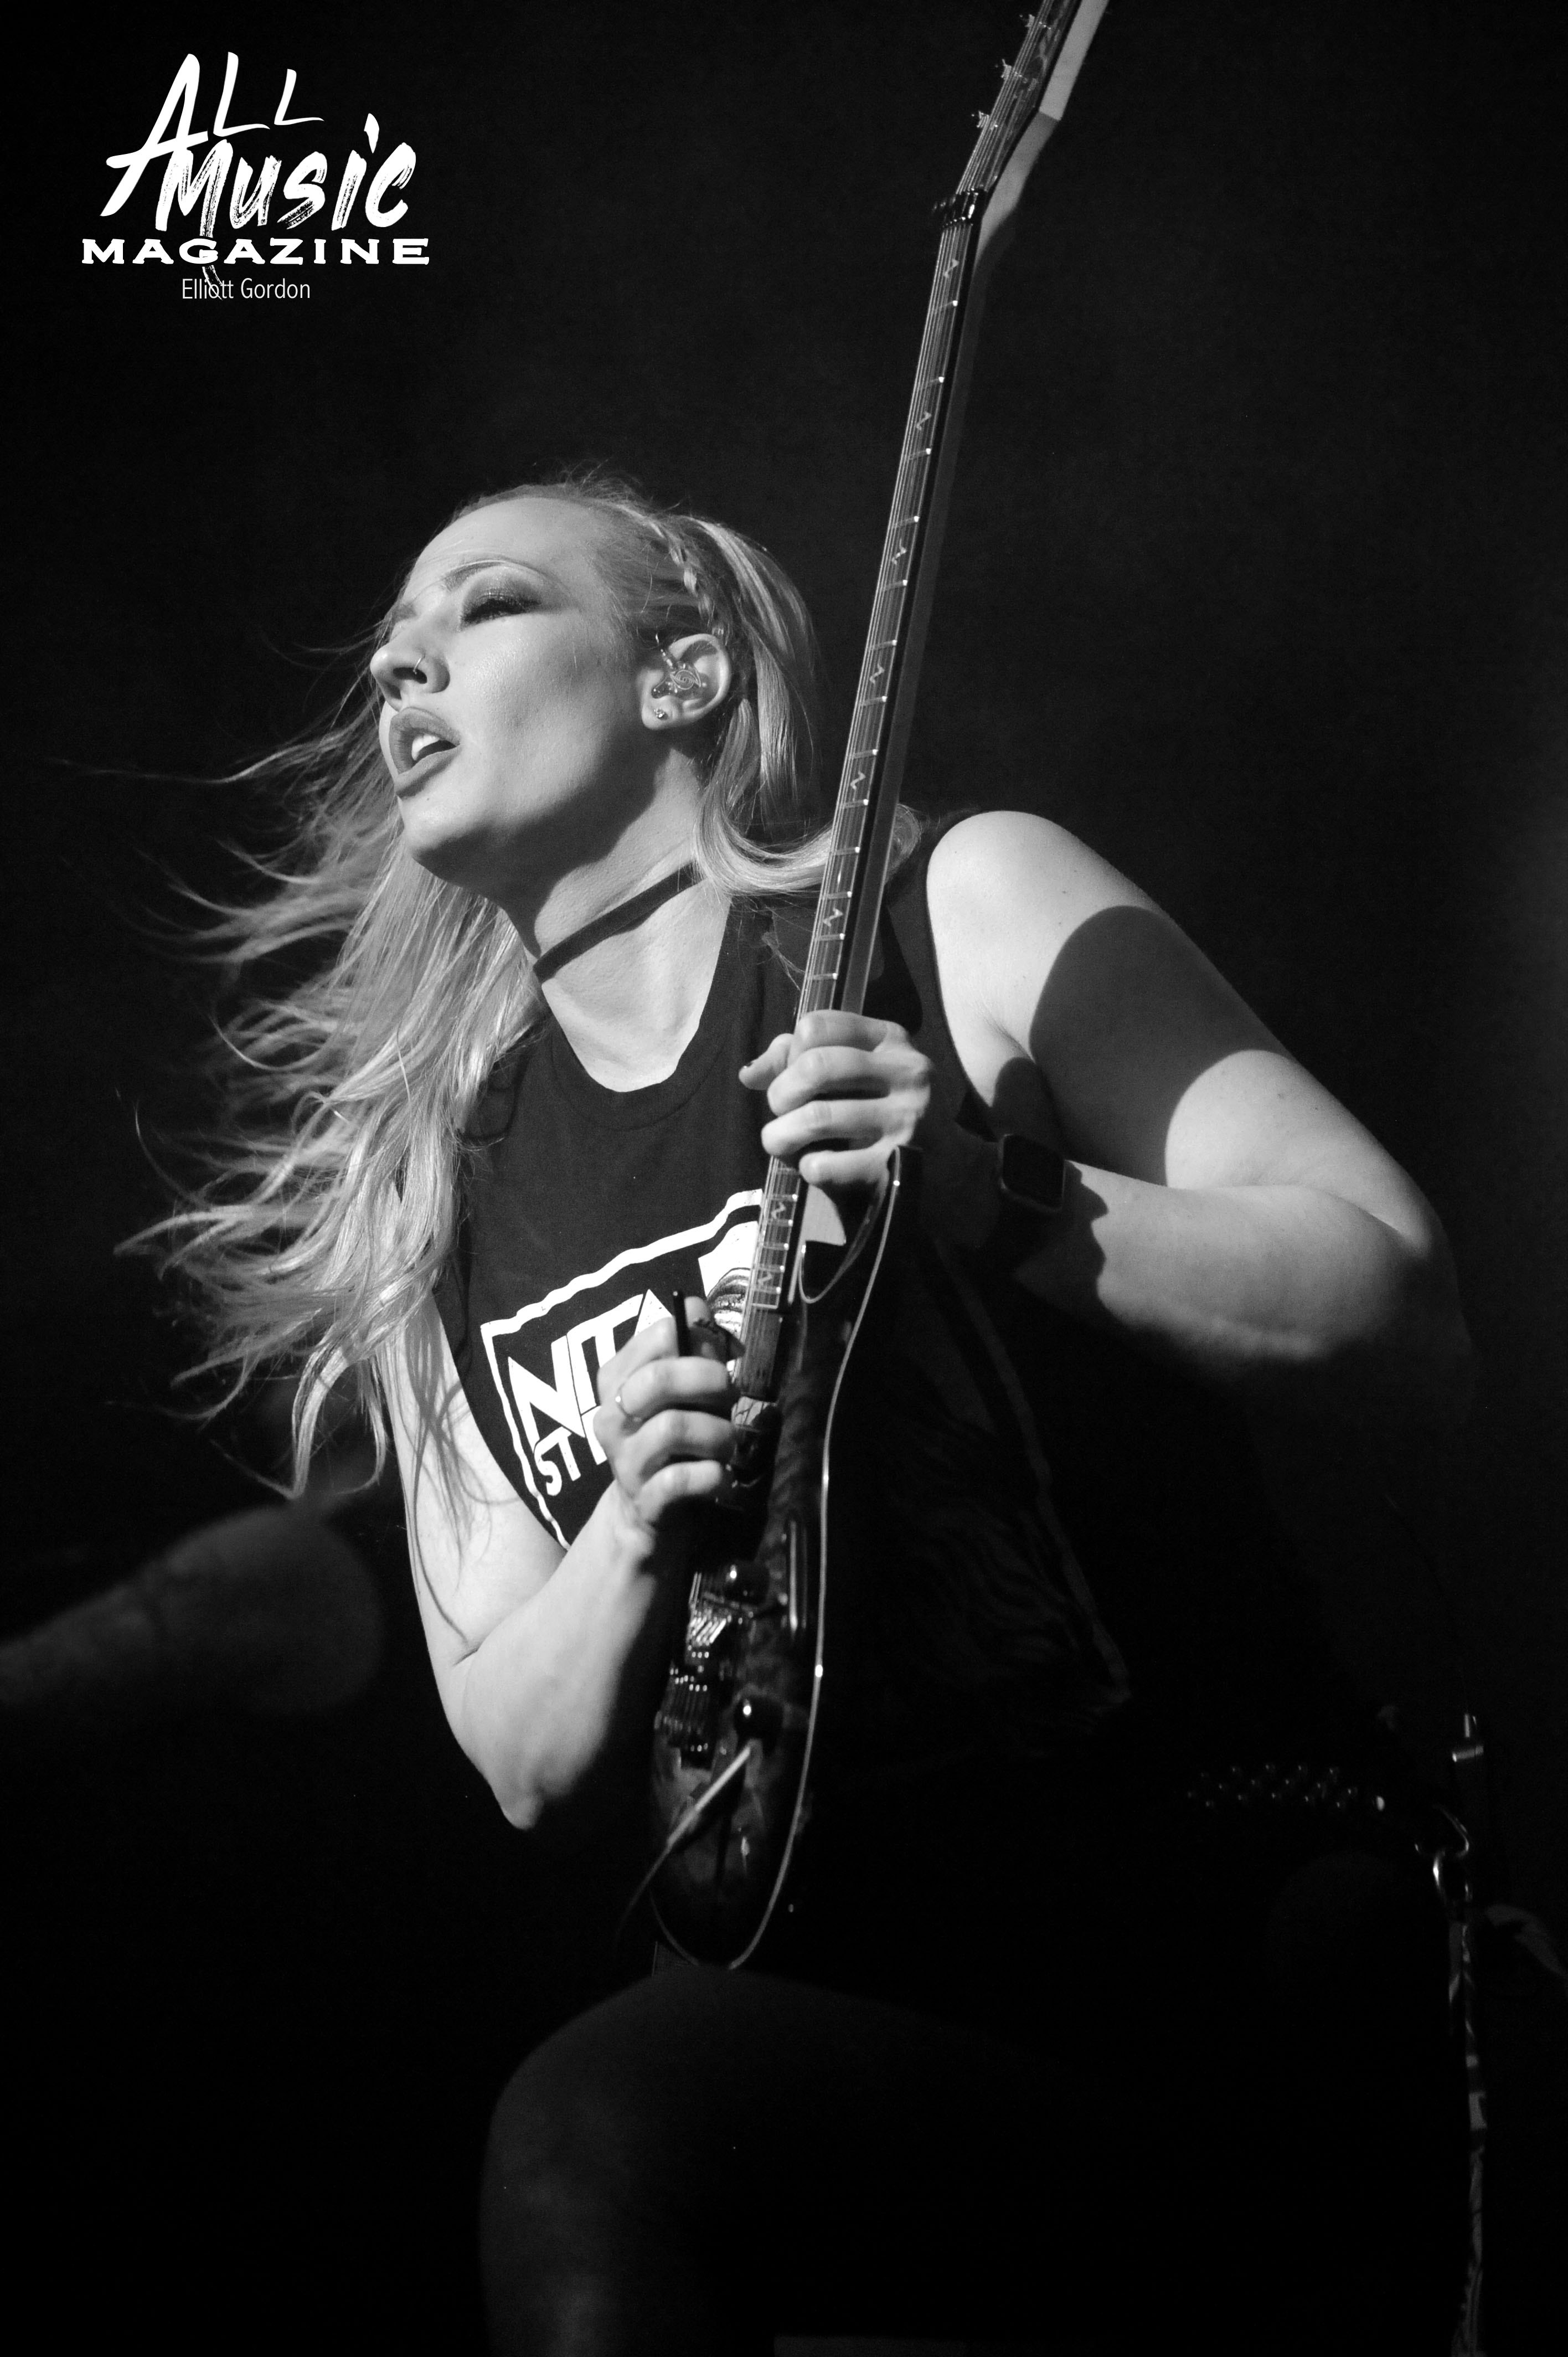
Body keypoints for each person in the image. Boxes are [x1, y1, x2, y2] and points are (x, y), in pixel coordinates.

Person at [173, 472, 1475, 2353]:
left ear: (685, 673)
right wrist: (631, 1523)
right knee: (596, 2133)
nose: (401, 666)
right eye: (390, 648)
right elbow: (519, 1751)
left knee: (604, 2133)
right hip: (857, 1997)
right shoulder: (440, 1202)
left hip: (1202, 1923)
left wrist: (994, 1198)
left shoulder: (960, 906)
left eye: (490, 604)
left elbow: (1395, 1302)